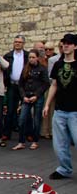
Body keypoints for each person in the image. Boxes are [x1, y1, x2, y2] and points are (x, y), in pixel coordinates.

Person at [43, 33, 77, 180]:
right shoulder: (58, 64)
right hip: (60, 110)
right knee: (59, 145)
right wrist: (47, 104)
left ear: (75, 46)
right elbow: (54, 85)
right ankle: (64, 169)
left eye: (69, 43)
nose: (66, 45)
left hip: (75, 111)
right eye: (64, 43)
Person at [12, 49, 49, 151]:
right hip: (26, 97)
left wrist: (36, 95)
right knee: (22, 119)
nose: (31, 59)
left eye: (33, 57)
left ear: (37, 58)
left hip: (37, 97)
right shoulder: (25, 69)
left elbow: (46, 84)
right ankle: (21, 142)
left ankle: (35, 141)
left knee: (37, 120)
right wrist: (23, 96)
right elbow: (20, 84)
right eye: (30, 57)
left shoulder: (42, 69)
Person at [3, 35, 29, 141]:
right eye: (15, 42)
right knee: (10, 110)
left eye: (19, 42)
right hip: (12, 85)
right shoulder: (8, 56)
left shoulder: (27, 56)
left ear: (23, 44)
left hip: (24, 86)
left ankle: (28, 133)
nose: (17, 43)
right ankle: (6, 133)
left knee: (26, 109)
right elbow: (5, 70)